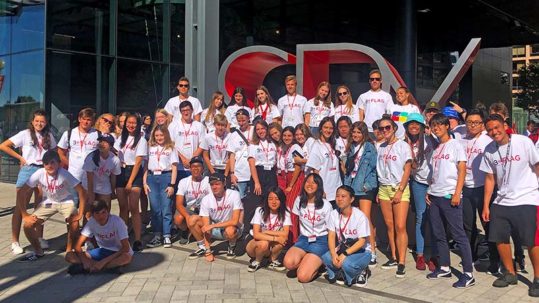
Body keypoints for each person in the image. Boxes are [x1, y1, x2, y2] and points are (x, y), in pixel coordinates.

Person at [481, 114, 539, 297]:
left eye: (496, 127)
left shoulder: (523, 142)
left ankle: (537, 279)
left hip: (527, 198)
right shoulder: (489, 150)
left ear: (504, 125)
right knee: (500, 238)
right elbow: (490, 178)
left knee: (532, 241)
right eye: (490, 129)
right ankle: (510, 273)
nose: (494, 132)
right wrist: (486, 205)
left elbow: (537, 166)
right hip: (501, 200)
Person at [425, 113, 475, 288]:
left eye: (439, 124)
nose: (436, 128)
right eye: (433, 125)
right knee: (439, 234)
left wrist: (457, 193)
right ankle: (445, 267)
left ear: (447, 126)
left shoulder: (456, 145)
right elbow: (435, 173)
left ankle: (468, 274)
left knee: (459, 235)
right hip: (435, 196)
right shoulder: (437, 148)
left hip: (449, 196)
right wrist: (429, 191)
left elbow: (462, 170)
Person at [0, 109, 57, 255]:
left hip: (43, 171)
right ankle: (15, 241)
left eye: (42, 121)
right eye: (37, 121)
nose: (39, 123)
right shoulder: (25, 134)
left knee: (40, 207)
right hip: (28, 170)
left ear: (46, 122)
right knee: (21, 207)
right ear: (32, 121)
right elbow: (4, 145)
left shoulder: (49, 135)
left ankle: (39, 238)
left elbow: (55, 153)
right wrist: (20, 158)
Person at [17, 150, 86, 261]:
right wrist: (25, 214)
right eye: (46, 163)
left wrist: (80, 213)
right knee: (28, 225)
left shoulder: (64, 173)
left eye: (52, 162)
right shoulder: (39, 173)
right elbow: (21, 192)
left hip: (66, 201)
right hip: (49, 202)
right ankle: (38, 251)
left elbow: (82, 191)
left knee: (74, 222)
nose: (49, 166)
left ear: (59, 163)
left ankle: (69, 250)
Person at [458, 109, 496, 265]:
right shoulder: (461, 139)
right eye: (469, 122)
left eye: (476, 122)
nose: (472, 125)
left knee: (488, 224)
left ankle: (494, 258)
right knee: (468, 225)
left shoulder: (488, 141)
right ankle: (470, 256)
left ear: (482, 125)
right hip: (466, 187)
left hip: (482, 188)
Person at [376, 116, 412, 277]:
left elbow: (407, 169)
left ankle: (402, 261)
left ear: (394, 128)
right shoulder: (381, 147)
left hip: (399, 188)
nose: (384, 131)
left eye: (387, 128)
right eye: (381, 128)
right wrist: (379, 190)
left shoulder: (403, 146)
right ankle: (394, 256)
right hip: (384, 188)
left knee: (400, 226)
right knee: (389, 225)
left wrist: (400, 190)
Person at [283, 173, 333, 283]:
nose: (310, 185)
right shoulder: (299, 200)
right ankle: (309, 259)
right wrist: (295, 242)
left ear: (319, 186)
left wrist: (332, 249)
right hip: (304, 239)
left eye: (314, 183)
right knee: (288, 263)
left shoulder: (326, 205)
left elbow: (331, 230)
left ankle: (320, 264)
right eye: (307, 182)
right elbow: (295, 221)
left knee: (303, 277)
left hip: (320, 241)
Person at [404, 113, 437, 271]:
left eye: (417, 124)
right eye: (411, 124)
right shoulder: (405, 143)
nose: (414, 126)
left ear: (423, 126)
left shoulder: (431, 140)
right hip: (418, 183)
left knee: (435, 219)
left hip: (435, 184)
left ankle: (435, 255)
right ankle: (421, 255)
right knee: (421, 218)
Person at [342, 121, 378, 268]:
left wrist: (368, 185)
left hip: (364, 187)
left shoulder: (370, 147)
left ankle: (372, 250)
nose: (356, 135)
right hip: (352, 185)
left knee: (366, 217)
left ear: (364, 134)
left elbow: (374, 168)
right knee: (354, 218)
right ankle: (360, 247)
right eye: (354, 132)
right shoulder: (350, 147)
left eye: (359, 132)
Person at [322, 185, 372, 287]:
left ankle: (362, 270)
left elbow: (362, 241)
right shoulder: (333, 214)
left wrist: (344, 254)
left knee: (347, 264)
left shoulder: (360, 216)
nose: (339, 199)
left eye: (343, 196)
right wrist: (333, 254)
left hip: (361, 251)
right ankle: (341, 271)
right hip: (343, 248)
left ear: (352, 199)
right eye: (337, 196)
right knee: (326, 257)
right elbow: (331, 235)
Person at [65, 200, 132, 274]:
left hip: (118, 251)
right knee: (69, 255)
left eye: (103, 212)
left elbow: (126, 248)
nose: (101, 216)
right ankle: (105, 267)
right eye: (97, 213)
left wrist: (103, 261)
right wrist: (85, 261)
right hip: (102, 251)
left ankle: (93, 267)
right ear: (93, 215)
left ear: (108, 212)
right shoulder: (92, 222)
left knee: (126, 258)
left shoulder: (117, 222)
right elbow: (77, 246)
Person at [114, 113, 148, 252]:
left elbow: (139, 161)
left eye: (134, 123)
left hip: (134, 171)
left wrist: (130, 182)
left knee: (134, 207)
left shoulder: (141, 140)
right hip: (121, 171)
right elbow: (114, 152)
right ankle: (124, 237)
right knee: (123, 208)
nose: (130, 125)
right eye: (128, 122)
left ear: (138, 124)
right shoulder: (120, 138)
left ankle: (138, 239)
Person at [143, 125, 178, 248]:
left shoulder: (171, 148)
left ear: (166, 135)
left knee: (166, 207)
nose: (159, 138)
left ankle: (167, 235)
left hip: (165, 177)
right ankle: (157, 234)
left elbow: (174, 168)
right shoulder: (150, 147)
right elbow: (146, 166)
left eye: (161, 135)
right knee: (155, 208)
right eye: (156, 135)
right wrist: (144, 182)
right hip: (152, 178)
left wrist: (172, 185)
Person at [58, 108, 100, 205]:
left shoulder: (97, 134)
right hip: (73, 176)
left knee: (88, 206)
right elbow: (60, 152)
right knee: (72, 206)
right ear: (79, 119)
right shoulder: (69, 133)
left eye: (89, 120)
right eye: (84, 119)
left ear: (92, 121)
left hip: (91, 177)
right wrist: (70, 164)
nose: (86, 122)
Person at [199, 173, 244, 261]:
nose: (214, 187)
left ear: (224, 183)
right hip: (216, 230)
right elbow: (206, 226)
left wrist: (212, 226)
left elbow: (235, 221)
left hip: (232, 228)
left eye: (217, 184)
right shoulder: (206, 199)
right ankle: (203, 247)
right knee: (195, 220)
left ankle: (232, 246)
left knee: (230, 230)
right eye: (212, 184)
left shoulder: (234, 194)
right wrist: (208, 251)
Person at [246, 187, 291, 272]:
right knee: (264, 243)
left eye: (277, 199)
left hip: (270, 243)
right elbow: (256, 234)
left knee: (284, 239)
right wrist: (276, 238)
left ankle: (272, 260)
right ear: (266, 200)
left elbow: (285, 233)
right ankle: (257, 261)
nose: (273, 202)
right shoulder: (260, 210)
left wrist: (266, 232)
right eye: (270, 199)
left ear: (281, 200)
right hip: (255, 243)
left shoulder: (286, 211)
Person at [175, 157, 211, 252]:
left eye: (199, 166)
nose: (196, 168)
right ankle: (185, 231)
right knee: (178, 219)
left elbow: (212, 200)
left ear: (203, 168)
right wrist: (187, 217)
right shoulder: (183, 182)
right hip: (189, 208)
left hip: (204, 209)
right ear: (190, 168)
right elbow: (178, 204)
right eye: (193, 166)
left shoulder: (208, 180)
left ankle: (198, 233)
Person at [82, 134, 121, 218]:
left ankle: (104, 229)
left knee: (105, 210)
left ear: (110, 146)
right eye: (100, 141)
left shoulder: (115, 160)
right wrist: (91, 195)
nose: (102, 144)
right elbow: (90, 179)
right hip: (89, 184)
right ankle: (87, 229)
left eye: (105, 142)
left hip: (104, 184)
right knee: (89, 212)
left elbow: (113, 176)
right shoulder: (91, 157)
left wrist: (112, 191)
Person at [306, 117, 342, 205]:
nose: (328, 130)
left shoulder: (334, 144)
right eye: (325, 127)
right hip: (325, 190)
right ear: (321, 129)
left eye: (331, 128)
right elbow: (316, 171)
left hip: (337, 188)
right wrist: (320, 190)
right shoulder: (316, 146)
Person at [169, 101, 205, 182]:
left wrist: (192, 159)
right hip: (178, 167)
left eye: (188, 110)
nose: (186, 112)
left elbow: (202, 144)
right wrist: (183, 158)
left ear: (192, 110)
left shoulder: (199, 126)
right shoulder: (173, 125)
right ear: (180, 112)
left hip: (195, 167)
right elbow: (171, 145)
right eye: (183, 111)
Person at [227, 109, 253, 199]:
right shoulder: (233, 135)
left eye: (243, 120)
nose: (241, 123)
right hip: (240, 173)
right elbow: (232, 155)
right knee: (240, 199)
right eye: (239, 121)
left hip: (254, 172)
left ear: (248, 118)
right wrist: (232, 173)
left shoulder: (255, 130)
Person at [357, 70, 394, 134]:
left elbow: (390, 113)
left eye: (377, 79)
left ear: (381, 81)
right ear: (369, 81)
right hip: (367, 130)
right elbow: (360, 115)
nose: (374, 81)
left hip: (382, 130)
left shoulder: (387, 96)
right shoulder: (363, 96)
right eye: (372, 79)